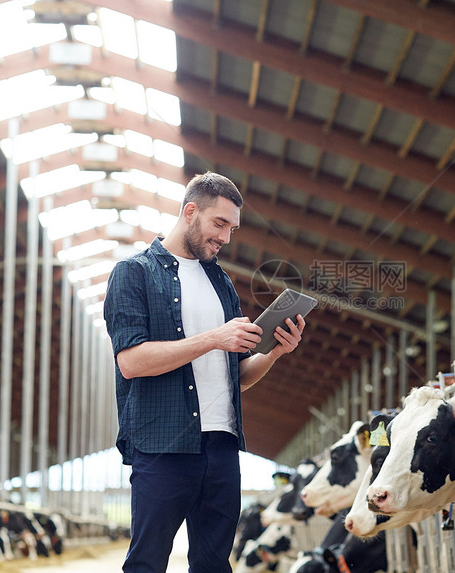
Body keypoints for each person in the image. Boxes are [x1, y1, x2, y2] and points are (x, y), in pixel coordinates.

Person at [103, 172, 307, 573]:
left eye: (232, 228)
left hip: (222, 445)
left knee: (214, 565)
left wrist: (277, 351)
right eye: (219, 224)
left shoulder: (221, 283)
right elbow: (131, 361)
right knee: (146, 563)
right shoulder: (134, 274)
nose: (226, 238)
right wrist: (214, 337)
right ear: (190, 211)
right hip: (163, 445)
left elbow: (238, 378)